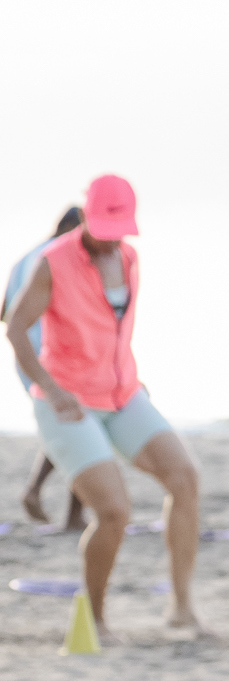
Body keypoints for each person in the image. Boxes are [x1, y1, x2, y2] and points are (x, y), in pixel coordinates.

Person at [3, 175, 206, 634]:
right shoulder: (52, 262)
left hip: (123, 394)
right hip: (67, 400)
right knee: (115, 511)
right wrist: (51, 389)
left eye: (118, 228)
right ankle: (94, 620)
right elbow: (15, 328)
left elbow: (112, 331)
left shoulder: (131, 258)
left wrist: (128, 378)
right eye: (102, 226)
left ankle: (181, 608)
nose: (110, 237)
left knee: (186, 479)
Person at [10, 207, 83, 529]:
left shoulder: (23, 260)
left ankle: (41, 494)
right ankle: (68, 511)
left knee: (67, 426)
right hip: (58, 359)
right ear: (69, 227)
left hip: (25, 359)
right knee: (81, 425)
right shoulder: (63, 259)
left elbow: (6, 314)